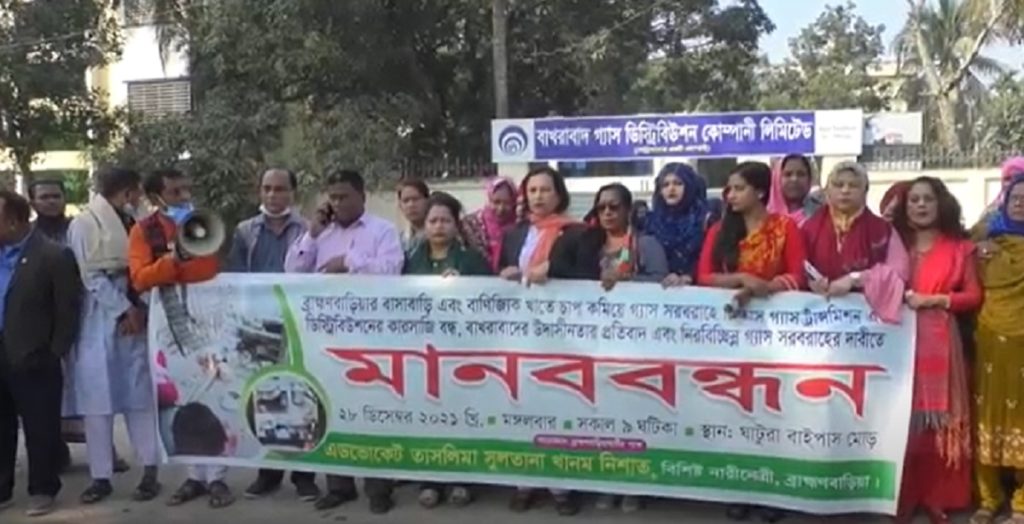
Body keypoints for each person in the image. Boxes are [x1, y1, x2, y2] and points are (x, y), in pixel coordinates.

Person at [284, 169, 403, 514]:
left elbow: (392, 270)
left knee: (373, 411)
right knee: (331, 408)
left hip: (371, 335)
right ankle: (339, 485)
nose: (337, 203)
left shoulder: (383, 230)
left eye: (344, 196)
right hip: (327, 335)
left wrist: (349, 262)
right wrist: (312, 234)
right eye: (332, 197)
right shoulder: (321, 233)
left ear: (362, 196)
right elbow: (292, 271)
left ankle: (379, 487)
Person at [695, 162, 805, 523]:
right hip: (729, 333)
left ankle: (773, 490)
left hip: (775, 335)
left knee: (772, 411)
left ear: (760, 191)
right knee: (735, 411)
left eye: (738, 188)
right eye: (728, 189)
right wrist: (742, 279)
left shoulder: (785, 228)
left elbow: (798, 276)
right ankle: (740, 487)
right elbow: (703, 276)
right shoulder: (719, 230)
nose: (730, 195)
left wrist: (764, 288)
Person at [126, 169, 232, 509]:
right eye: (175, 192)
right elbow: (140, 279)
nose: (184, 197)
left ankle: (217, 477)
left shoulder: (202, 222)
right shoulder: (144, 231)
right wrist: (172, 261)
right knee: (184, 395)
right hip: (167, 322)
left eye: (187, 189)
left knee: (215, 391)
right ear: (156, 198)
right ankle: (194, 476)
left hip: (208, 315)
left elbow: (213, 268)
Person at [64, 168, 162, 506]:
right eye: (136, 192)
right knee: (97, 404)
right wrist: (123, 309)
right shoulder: (84, 224)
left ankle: (150, 469)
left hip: (136, 312)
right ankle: (101, 476)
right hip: (97, 317)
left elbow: (147, 266)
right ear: (127, 192)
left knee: (140, 397)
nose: (139, 199)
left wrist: (140, 307)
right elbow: (89, 276)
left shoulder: (138, 222)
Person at [890, 176, 981, 524]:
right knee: (902, 420)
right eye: (914, 199)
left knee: (941, 424)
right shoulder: (893, 244)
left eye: (928, 199)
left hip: (942, 342)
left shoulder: (960, 248)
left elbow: (973, 296)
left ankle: (939, 495)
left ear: (940, 203)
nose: (921, 205)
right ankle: (903, 494)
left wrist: (935, 300)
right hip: (897, 342)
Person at [229, 169, 318, 502]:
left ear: (293, 192)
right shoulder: (245, 231)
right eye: (267, 188)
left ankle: (304, 476)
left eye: (280, 189)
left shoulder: (308, 230)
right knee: (265, 397)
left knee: (302, 397)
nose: (272, 195)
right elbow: (235, 277)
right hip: (259, 324)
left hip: (297, 324)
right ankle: (268, 474)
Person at [497, 166, 581, 515]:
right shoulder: (515, 234)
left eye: (545, 190)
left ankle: (562, 488)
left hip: (562, 336)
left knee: (558, 408)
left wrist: (551, 270)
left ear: (558, 194)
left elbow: (582, 273)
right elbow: (501, 271)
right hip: (519, 335)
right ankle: (525, 483)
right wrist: (506, 274)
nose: (538, 196)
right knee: (523, 407)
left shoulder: (577, 233)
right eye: (532, 190)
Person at [404, 191, 489, 509]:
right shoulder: (411, 260)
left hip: (462, 352)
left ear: (456, 225)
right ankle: (430, 480)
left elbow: (492, 300)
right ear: (424, 225)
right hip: (423, 352)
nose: (439, 226)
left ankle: (463, 480)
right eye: (433, 220)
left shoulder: (471, 260)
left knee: (462, 415)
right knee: (429, 416)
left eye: (445, 220)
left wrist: (465, 287)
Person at [0, 189, 82, 517]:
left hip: (34, 354)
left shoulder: (53, 256)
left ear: (14, 221)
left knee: (41, 428)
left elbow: (68, 310)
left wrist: (54, 352)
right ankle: (2, 488)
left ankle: (43, 489)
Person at [971, 173, 1024, 524]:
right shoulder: (985, 238)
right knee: (986, 415)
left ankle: (1022, 502)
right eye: (1015, 197)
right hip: (990, 338)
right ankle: (989, 498)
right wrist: (978, 247)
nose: (1020, 204)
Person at [802, 162, 909, 324]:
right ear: (827, 191)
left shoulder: (883, 231)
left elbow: (898, 274)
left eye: (854, 185)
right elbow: (795, 267)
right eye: (838, 185)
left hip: (866, 326)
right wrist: (810, 282)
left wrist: (855, 279)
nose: (845, 190)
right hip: (818, 322)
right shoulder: (808, 228)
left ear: (865, 191)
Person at [551, 183, 668, 294]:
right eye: (601, 208)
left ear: (628, 210)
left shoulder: (645, 243)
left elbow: (660, 279)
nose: (607, 212)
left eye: (614, 207)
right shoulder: (588, 243)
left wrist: (627, 279)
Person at [644, 163, 710, 288]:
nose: (671, 189)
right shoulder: (650, 222)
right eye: (665, 185)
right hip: (658, 288)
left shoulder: (705, 219)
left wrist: (690, 275)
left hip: (697, 288)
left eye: (678, 183)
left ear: (690, 186)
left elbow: (710, 257)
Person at [461, 176, 517, 271]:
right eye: (496, 202)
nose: (501, 208)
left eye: (507, 203)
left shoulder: (520, 227)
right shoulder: (471, 224)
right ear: (488, 200)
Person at [28, 180, 71, 244]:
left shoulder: (78, 228)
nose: (52, 201)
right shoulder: (26, 233)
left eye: (56, 197)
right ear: (33, 204)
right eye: (44, 197)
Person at [397, 179, 429, 254]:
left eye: (416, 199)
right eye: (406, 201)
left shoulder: (438, 235)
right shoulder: (398, 240)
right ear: (400, 206)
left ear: (427, 201)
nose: (411, 205)